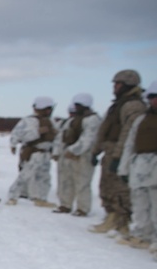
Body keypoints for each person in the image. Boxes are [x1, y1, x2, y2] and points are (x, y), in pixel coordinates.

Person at [91, 69, 147, 235]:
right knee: (107, 187)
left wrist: (118, 156)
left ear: (128, 85)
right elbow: (104, 130)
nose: (114, 87)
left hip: (120, 153)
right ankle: (111, 217)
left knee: (120, 190)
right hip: (109, 151)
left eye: (118, 84)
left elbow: (128, 132)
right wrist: (95, 151)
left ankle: (122, 222)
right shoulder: (117, 105)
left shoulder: (133, 106)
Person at [115, 80, 157, 255]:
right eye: (152, 97)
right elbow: (130, 144)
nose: (154, 101)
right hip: (140, 165)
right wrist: (124, 168)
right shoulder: (141, 119)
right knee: (140, 203)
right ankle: (143, 234)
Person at [53, 93, 101, 216]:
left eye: (79, 105)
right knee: (65, 180)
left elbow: (88, 138)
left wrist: (74, 150)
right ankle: (65, 204)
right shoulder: (71, 120)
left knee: (82, 182)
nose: (76, 107)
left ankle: (82, 208)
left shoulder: (93, 120)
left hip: (83, 156)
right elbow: (61, 136)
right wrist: (57, 151)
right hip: (67, 155)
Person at [6, 97, 58, 207]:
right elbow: (18, 134)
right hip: (34, 153)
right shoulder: (28, 120)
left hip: (46, 153)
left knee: (44, 178)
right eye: (47, 109)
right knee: (25, 175)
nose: (49, 111)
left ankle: (41, 198)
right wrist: (37, 132)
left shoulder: (51, 121)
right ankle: (12, 196)